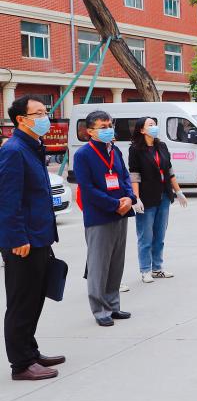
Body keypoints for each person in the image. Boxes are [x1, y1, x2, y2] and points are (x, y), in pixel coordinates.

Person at [0, 95, 64, 380]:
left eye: (44, 111)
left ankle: (30, 351)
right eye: (37, 113)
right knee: (22, 301)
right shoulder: (13, 150)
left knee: (36, 298)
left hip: (39, 236)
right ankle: (21, 364)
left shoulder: (34, 146)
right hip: (22, 241)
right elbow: (7, 199)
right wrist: (16, 238)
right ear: (21, 120)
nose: (44, 117)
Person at [73, 110, 136, 327]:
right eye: (103, 127)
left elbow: (124, 176)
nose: (109, 130)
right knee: (99, 265)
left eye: (110, 125)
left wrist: (129, 197)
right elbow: (87, 189)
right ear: (90, 131)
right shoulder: (83, 155)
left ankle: (113, 305)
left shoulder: (114, 150)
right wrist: (114, 205)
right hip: (100, 216)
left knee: (116, 263)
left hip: (122, 212)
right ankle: (100, 310)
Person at [128, 117, 186, 283]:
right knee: (146, 237)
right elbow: (135, 175)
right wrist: (136, 198)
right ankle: (145, 270)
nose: (154, 127)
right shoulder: (135, 149)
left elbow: (169, 170)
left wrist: (178, 191)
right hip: (146, 197)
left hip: (164, 195)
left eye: (155, 124)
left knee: (159, 236)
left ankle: (157, 268)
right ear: (142, 130)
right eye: (150, 125)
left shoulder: (162, 146)